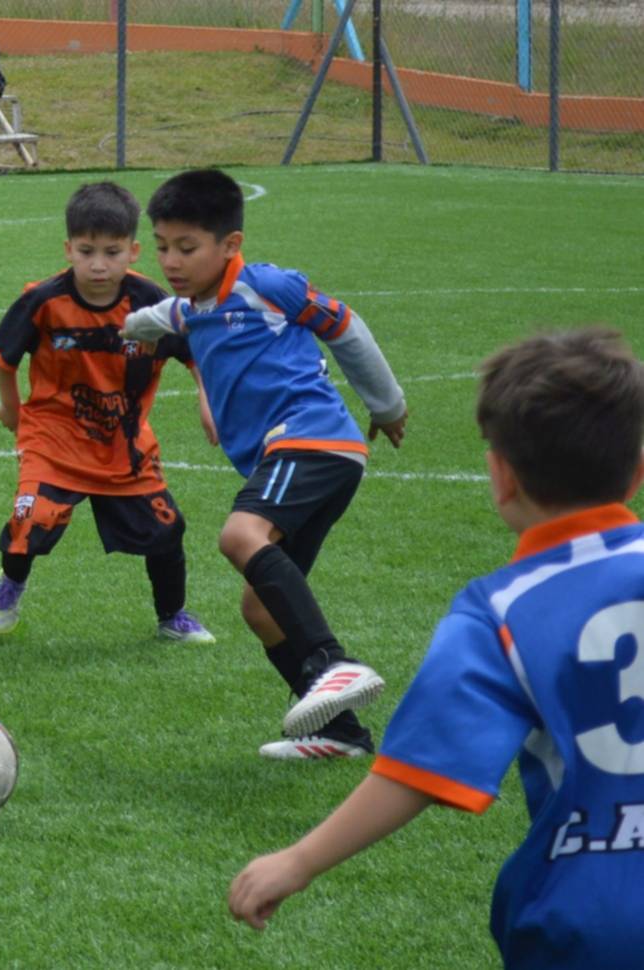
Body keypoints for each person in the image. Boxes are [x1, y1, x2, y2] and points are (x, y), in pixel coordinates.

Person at [229, 328, 644, 970]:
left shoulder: (501, 611)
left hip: (590, 917)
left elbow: (419, 768)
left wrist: (296, 861)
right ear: (638, 471)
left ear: (501, 476)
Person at [122, 169, 407, 760]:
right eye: (163, 246)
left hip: (312, 439)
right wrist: (124, 328)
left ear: (230, 245)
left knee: (239, 534)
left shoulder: (265, 285)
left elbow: (345, 327)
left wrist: (387, 404)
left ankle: (334, 663)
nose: (171, 261)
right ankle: (342, 734)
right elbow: (152, 320)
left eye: (187, 247)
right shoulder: (189, 308)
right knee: (260, 606)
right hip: (310, 457)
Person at [0, 181, 216, 643]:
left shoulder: (152, 303)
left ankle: (172, 616)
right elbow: (3, 356)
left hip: (123, 444)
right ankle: (11, 584)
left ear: (132, 251)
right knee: (29, 522)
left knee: (168, 530)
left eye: (111, 252)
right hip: (53, 439)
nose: (98, 264)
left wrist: (207, 399)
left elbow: (196, 355)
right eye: (86, 250)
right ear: (68, 248)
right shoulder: (44, 300)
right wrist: (11, 407)